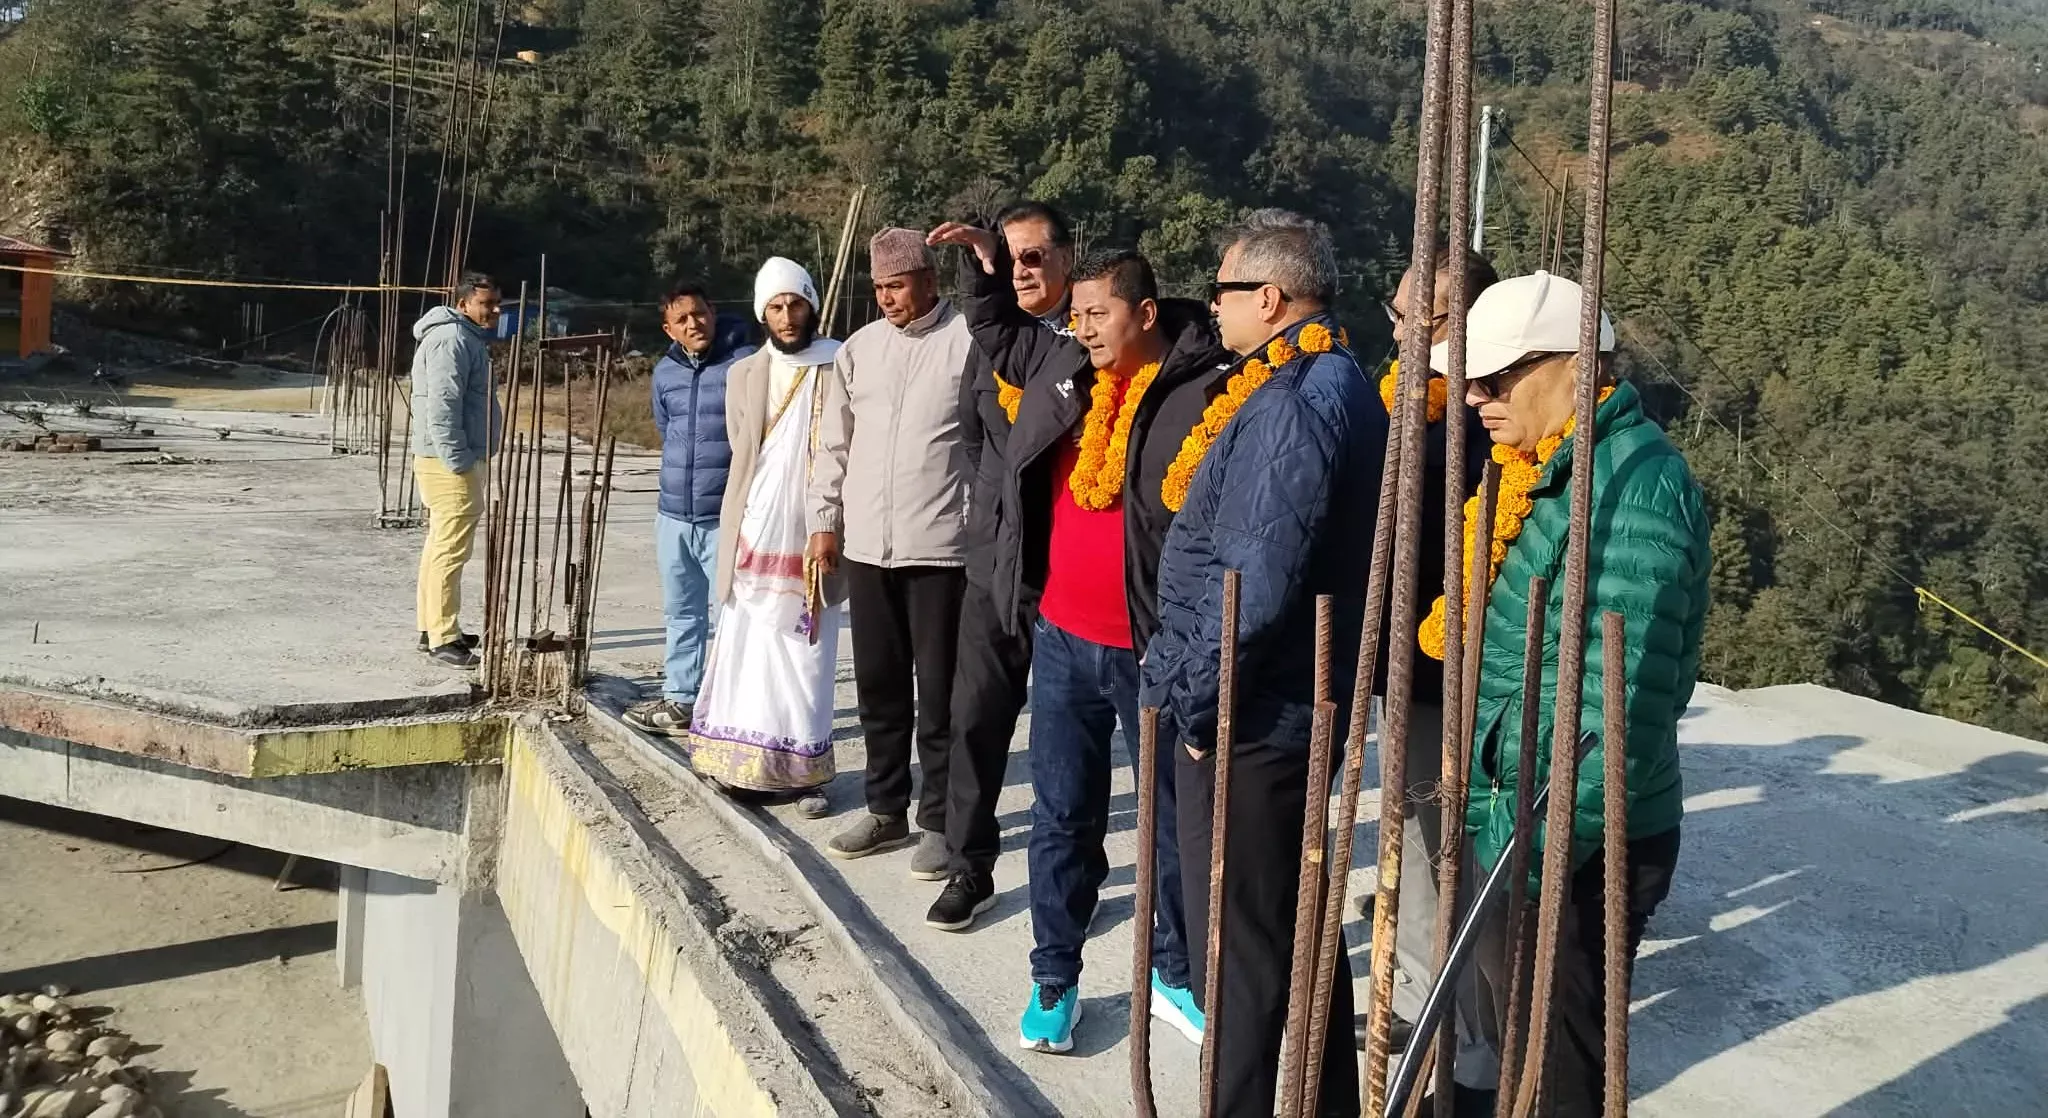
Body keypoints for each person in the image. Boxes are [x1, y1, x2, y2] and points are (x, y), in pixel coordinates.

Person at [1435, 271, 1709, 1118]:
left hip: (1572, 842)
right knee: (1525, 1048)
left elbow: (1614, 719)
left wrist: (1517, 861)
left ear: (1575, 365)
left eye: (1495, 378)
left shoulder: (1632, 490)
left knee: (1559, 1072)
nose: (1474, 397)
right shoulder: (1553, 468)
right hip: (1524, 813)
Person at [1141, 210, 1385, 1115]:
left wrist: (1195, 707)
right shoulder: (1332, 378)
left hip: (1254, 717)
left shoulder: (1292, 402)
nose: (1213, 305)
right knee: (1298, 925)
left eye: (1224, 290)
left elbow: (1254, 582)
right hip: (1289, 707)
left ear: (1271, 298)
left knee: (1237, 953)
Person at [1001, 249, 1226, 1053]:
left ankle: (1174, 969)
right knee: (1061, 816)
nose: (1084, 329)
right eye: (1078, 316)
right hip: (1062, 637)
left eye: (1099, 314)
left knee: (1169, 822)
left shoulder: (1202, 391)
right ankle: (1054, 978)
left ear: (1146, 313)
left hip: (1149, 648)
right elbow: (999, 335)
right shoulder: (1071, 374)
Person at [920, 202, 1086, 932]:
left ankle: (1070, 887)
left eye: (1031, 257)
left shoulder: (1091, 337)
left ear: (1066, 259)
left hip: (1065, 566)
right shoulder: (990, 347)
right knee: (975, 716)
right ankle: (969, 863)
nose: (1018, 271)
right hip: (994, 563)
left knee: (1064, 739)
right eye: (1005, 259)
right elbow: (972, 435)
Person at [1364, 244, 1502, 1092]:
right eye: (1399, 314)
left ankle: (1477, 1045)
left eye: (1427, 319)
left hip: (1459, 673)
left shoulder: (1489, 416)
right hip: (1401, 662)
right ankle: (1421, 1001)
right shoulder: (1405, 401)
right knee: (1413, 842)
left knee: (1462, 857)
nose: (1404, 333)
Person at [808, 228, 975, 873]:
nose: (886, 298)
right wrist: (825, 521)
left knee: (939, 693)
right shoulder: (858, 350)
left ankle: (938, 819)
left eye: (897, 286)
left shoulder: (967, 341)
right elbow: (834, 445)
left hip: (941, 549)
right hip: (867, 548)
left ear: (929, 281)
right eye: (879, 287)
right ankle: (885, 809)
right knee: (878, 687)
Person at [686, 258, 847, 820]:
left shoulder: (839, 363)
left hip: (815, 532)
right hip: (755, 527)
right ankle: (744, 764)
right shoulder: (744, 374)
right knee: (749, 648)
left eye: (795, 303)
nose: (787, 315)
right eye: (775, 306)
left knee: (807, 653)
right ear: (762, 313)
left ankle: (805, 774)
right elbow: (744, 449)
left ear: (811, 305)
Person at [625, 284, 757, 736]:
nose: (693, 323)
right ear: (669, 329)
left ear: (713, 312)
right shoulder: (665, 372)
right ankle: (681, 700)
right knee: (681, 613)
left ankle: (733, 707)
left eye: (699, 313)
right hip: (674, 515)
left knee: (732, 617)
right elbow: (667, 431)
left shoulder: (745, 363)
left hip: (726, 517)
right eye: (681, 319)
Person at [410, 272, 502, 670]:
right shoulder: (452, 339)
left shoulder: (464, 337)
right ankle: (443, 637)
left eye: (497, 304)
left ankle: (432, 626)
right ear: (463, 304)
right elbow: (442, 405)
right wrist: (459, 458)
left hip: (445, 458)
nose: (493, 311)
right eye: (485, 304)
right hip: (448, 462)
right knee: (450, 550)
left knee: (439, 546)